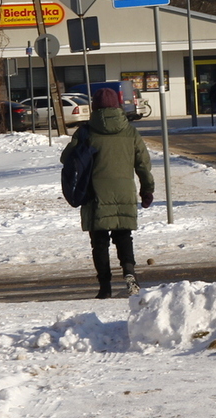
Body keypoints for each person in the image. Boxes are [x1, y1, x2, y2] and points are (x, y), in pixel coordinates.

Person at [63, 88, 154, 298]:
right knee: (124, 236)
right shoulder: (130, 132)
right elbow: (143, 164)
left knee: (100, 242)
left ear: (94, 106)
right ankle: (129, 273)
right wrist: (147, 189)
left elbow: (67, 159)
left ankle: (105, 287)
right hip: (124, 193)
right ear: (118, 106)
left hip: (95, 194)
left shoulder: (86, 132)